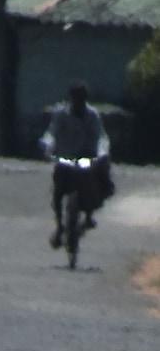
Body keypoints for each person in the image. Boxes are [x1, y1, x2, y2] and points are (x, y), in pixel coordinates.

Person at [42, 81, 113, 246]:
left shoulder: (92, 115)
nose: (78, 102)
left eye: (81, 99)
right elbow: (51, 133)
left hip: (86, 158)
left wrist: (102, 153)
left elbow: (101, 137)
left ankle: (89, 216)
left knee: (95, 180)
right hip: (65, 158)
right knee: (58, 191)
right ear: (71, 98)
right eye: (75, 98)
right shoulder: (61, 114)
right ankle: (60, 226)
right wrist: (47, 146)